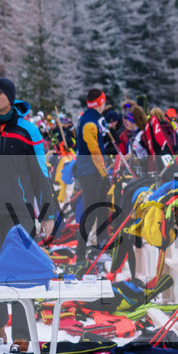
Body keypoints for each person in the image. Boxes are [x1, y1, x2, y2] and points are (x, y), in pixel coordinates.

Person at [0, 78, 58, 354]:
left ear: (10, 98)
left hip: (20, 211)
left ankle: (23, 335)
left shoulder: (27, 131)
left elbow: (41, 174)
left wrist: (48, 213)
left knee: (22, 274)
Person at [73, 88, 112, 268]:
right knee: (91, 213)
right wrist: (104, 173)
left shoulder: (89, 119)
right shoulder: (90, 122)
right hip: (90, 173)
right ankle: (80, 255)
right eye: (103, 101)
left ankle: (100, 247)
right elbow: (94, 151)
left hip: (90, 171)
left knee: (100, 209)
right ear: (100, 103)